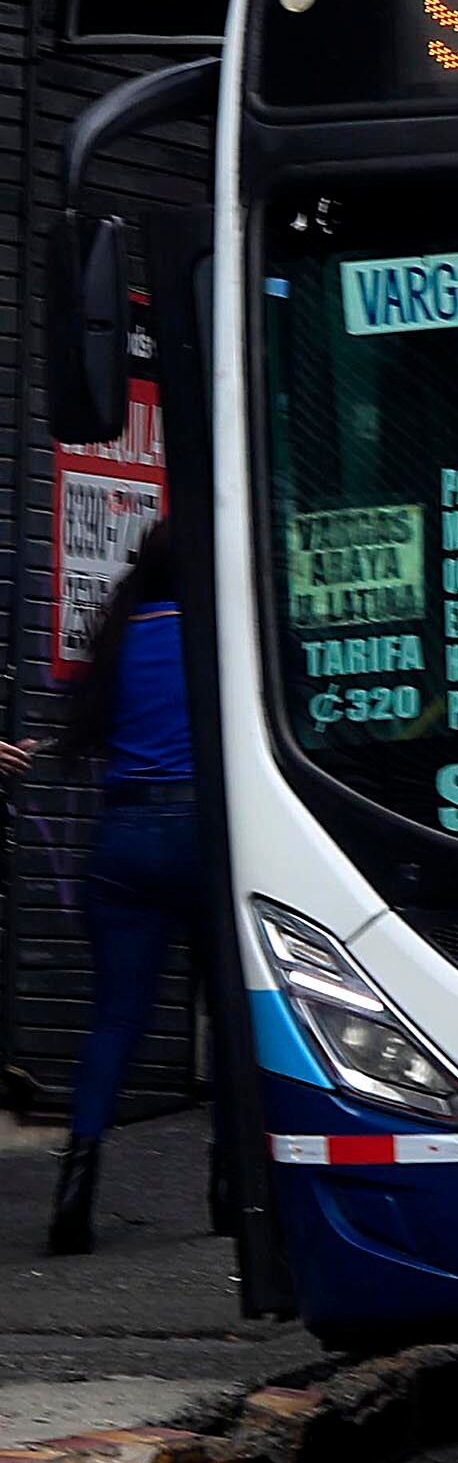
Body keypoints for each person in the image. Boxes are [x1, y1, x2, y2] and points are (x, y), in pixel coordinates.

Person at [0, 531, 202, 1255]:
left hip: (122, 838)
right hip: (202, 832)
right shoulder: (213, 635)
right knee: (238, 1014)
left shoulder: (118, 636)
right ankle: (232, 1190)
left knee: (115, 1020)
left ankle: (75, 1192)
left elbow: (82, 734)